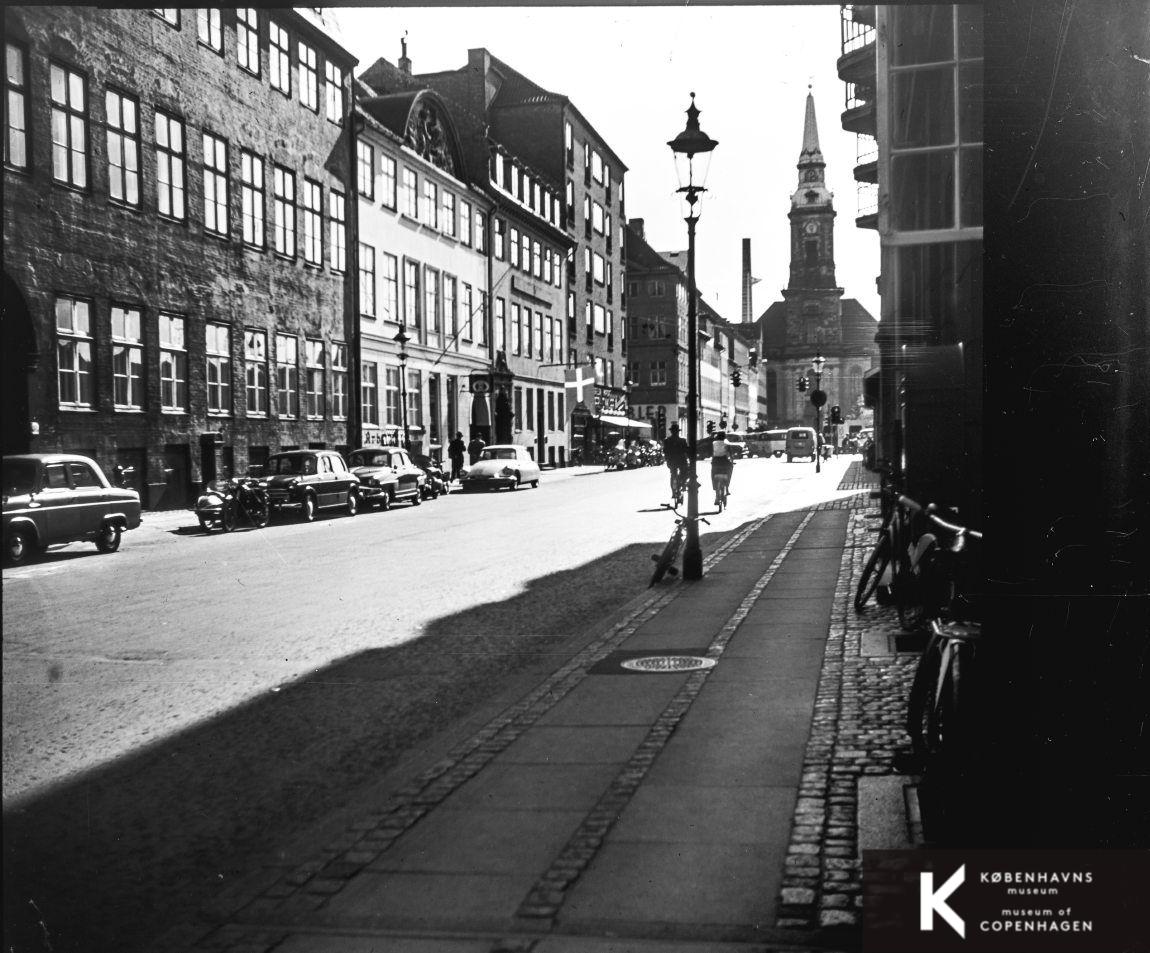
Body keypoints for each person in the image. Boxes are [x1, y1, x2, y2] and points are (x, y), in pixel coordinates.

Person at [662, 423, 689, 502]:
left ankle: (673, 492)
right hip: (681, 461)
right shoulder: (682, 440)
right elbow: (686, 450)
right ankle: (683, 485)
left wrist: (667, 460)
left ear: (671, 432)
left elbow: (665, 451)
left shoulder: (667, 440)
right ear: (678, 432)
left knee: (673, 475)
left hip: (671, 461)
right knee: (684, 473)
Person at [710, 430, 734, 504]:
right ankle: (726, 487)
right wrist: (732, 461)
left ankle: (715, 487)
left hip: (715, 462)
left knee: (713, 474)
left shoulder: (713, 443)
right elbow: (730, 453)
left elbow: (711, 453)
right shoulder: (726, 442)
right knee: (730, 471)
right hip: (725, 462)